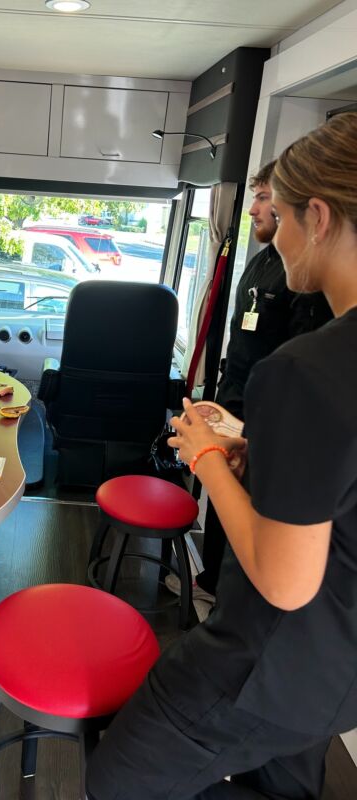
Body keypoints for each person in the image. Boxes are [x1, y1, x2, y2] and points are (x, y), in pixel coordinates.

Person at [86, 111, 357, 799]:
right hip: (338, 671)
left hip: (262, 666)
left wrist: (205, 453)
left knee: (113, 781)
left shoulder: (309, 369)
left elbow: (285, 580)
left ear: (319, 217)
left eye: (284, 215)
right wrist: (259, 457)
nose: (280, 234)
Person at [167, 161, 332, 606]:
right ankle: (212, 585)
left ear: (313, 214)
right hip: (234, 401)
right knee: (225, 509)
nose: (255, 209)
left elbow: (288, 584)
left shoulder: (309, 349)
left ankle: (226, 594)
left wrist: (218, 451)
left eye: (265, 198)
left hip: (264, 416)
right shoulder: (261, 262)